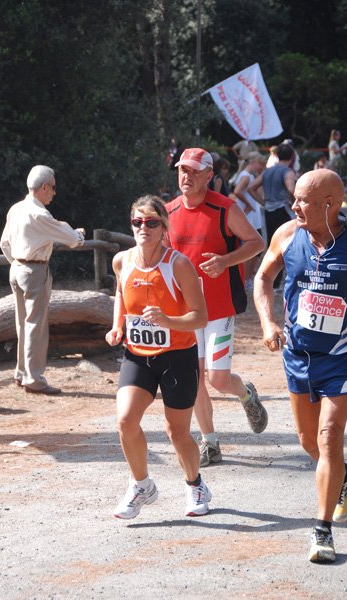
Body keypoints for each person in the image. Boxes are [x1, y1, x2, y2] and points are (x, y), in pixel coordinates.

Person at [253, 168, 347, 563]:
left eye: (303, 200)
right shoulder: (288, 234)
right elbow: (262, 278)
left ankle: (322, 532)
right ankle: (341, 479)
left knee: (327, 438)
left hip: (341, 359)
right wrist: (268, 321)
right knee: (309, 442)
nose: (294, 206)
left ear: (330, 204)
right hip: (297, 356)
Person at [105, 195, 211, 519]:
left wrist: (168, 321)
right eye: (137, 222)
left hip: (178, 355)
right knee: (125, 421)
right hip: (138, 356)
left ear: (164, 226)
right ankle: (141, 485)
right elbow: (121, 293)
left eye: (151, 222)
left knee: (176, 432)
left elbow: (200, 317)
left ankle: (195, 485)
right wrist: (116, 326)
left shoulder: (177, 264)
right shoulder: (122, 261)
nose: (143, 228)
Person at [165, 148, 268, 468]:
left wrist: (224, 261)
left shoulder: (225, 208)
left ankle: (246, 393)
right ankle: (210, 443)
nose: (187, 176)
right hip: (185, 312)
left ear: (210, 176)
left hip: (219, 310)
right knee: (194, 378)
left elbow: (257, 243)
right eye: (183, 170)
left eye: (194, 172)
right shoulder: (167, 211)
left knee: (218, 379)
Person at [0, 165, 85, 395]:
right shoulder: (39, 213)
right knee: (35, 326)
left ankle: (21, 373)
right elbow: (69, 237)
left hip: (16, 269)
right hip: (34, 271)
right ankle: (34, 378)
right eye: (53, 188)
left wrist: (17, 263)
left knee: (22, 324)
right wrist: (80, 236)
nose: (54, 193)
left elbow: (4, 244)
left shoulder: (16, 208)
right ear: (44, 187)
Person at [248, 142, 296, 290]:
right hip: (283, 210)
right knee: (289, 245)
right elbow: (291, 189)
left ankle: (272, 282)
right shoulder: (288, 172)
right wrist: (294, 202)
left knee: (272, 246)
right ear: (292, 157)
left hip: (268, 211)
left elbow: (251, 188)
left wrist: (262, 201)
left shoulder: (267, 172)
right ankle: (286, 281)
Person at [233, 152, 266, 289]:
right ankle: (246, 279)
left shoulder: (246, 175)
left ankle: (247, 278)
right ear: (253, 162)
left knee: (255, 250)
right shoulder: (246, 176)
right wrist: (249, 204)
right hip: (250, 218)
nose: (260, 166)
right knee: (252, 248)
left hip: (252, 217)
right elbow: (238, 191)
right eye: (259, 163)